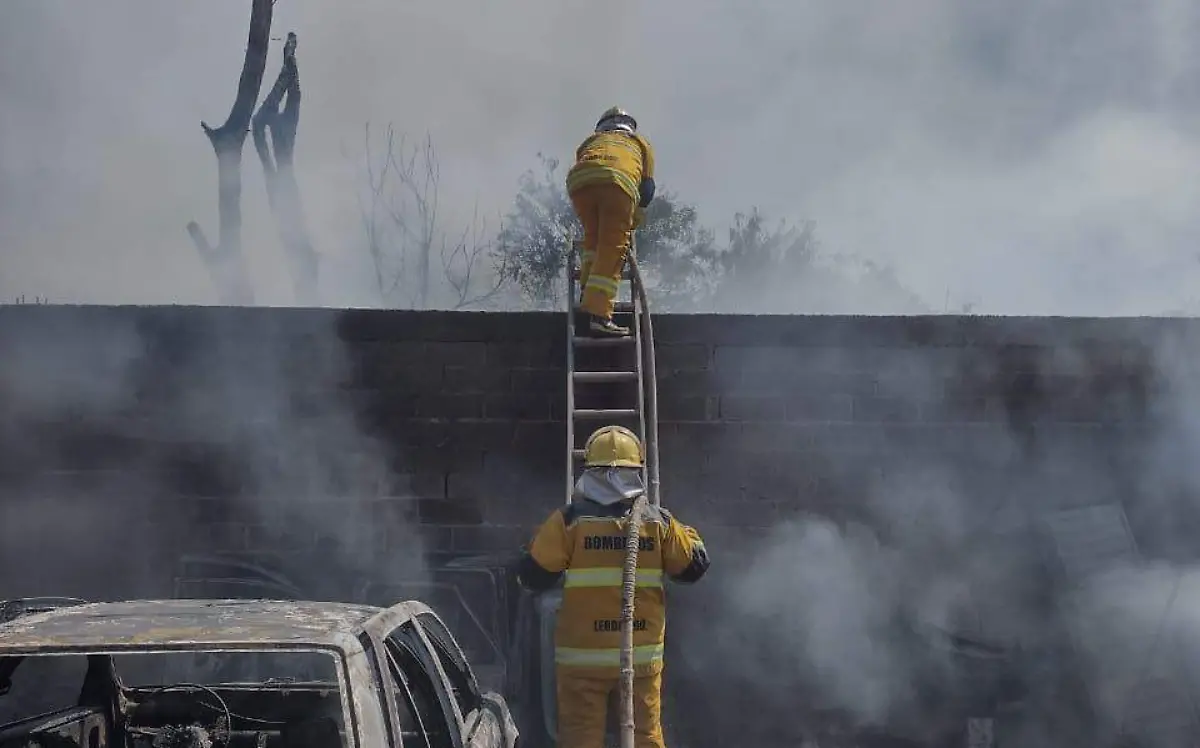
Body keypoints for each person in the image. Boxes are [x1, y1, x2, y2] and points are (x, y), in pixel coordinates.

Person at [516, 425, 709, 748]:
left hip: (582, 661)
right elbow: (694, 567)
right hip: (639, 658)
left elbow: (533, 575)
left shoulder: (569, 521)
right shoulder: (657, 522)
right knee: (645, 737)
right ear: (637, 472)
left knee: (581, 739)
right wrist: (684, 531)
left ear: (589, 471)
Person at [566, 107, 657, 337]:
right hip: (618, 183)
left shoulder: (591, 141)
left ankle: (587, 291)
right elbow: (646, 190)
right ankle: (599, 314)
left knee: (593, 241)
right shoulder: (640, 143)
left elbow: (583, 163)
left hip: (580, 184)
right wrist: (633, 218)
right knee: (612, 247)